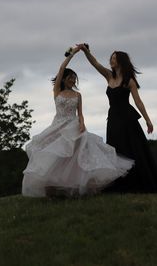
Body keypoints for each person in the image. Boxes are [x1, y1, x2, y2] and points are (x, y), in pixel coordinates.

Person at [22, 46, 134, 197]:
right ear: (64, 79)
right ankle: (52, 188)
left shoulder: (78, 95)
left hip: (74, 126)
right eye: (70, 78)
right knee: (55, 157)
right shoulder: (57, 91)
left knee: (76, 158)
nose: (73, 80)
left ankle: (75, 187)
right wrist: (72, 54)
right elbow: (62, 67)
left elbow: (80, 114)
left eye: (74, 78)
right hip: (58, 126)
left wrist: (82, 124)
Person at [78, 44, 157, 193]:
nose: (111, 61)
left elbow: (138, 101)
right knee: (115, 150)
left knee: (132, 150)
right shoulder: (108, 76)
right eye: (111, 58)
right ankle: (119, 185)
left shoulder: (129, 80)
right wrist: (86, 51)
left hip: (127, 119)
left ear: (121, 61)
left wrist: (148, 120)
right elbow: (95, 63)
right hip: (113, 118)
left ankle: (137, 183)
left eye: (114, 58)